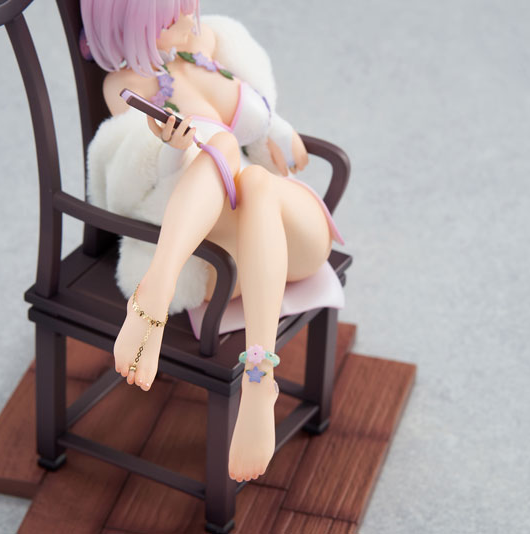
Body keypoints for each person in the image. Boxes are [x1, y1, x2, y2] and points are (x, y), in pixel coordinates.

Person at [81, 0, 345, 483]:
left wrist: (279, 132)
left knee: (253, 176)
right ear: (130, 24)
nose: (189, 19)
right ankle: (259, 378)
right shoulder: (127, 85)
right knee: (221, 149)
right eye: (171, 17)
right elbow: (132, 186)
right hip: (231, 241)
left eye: (187, 6)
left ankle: (154, 294)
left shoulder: (213, 41)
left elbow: (261, 117)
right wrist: (169, 150)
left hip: (294, 226)